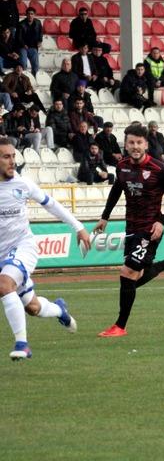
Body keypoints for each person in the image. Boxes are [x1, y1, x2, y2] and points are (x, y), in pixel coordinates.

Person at [94, 124, 164, 337]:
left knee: (127, 272)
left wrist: (161, 221)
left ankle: (120, 326)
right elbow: (116, 190)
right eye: (131, 142)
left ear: (146, 144)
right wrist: (105, 217)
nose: (135, 146)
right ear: (126, 144)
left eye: (139, 142)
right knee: (136, 275)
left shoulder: (160, 170)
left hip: (150, 230)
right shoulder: (121, 166)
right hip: (131, 227)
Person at [0, 138, 90, 360]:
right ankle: (61, 310)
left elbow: (51, 204)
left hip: (23, 247)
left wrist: (78, 227)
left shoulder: (22, 185)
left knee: (4, 285)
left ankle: (23, 344)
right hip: (2, 255)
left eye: (13, 156)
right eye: (6, 157)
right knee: (32, 307)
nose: (12, 161)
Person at [16, 7, 41, 76]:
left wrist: (39, 41)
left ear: (34, 15)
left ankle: (35, 76)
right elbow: (18, 37)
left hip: (33, 47)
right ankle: (23, 77)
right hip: (23, 47)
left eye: (32, 14)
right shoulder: (21, 24)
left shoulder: (38, 23)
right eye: (28, 14)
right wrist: (23, 45)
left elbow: (40, 34)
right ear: (26, 15)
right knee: (23, 63)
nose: (30, 15)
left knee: (36, 64)